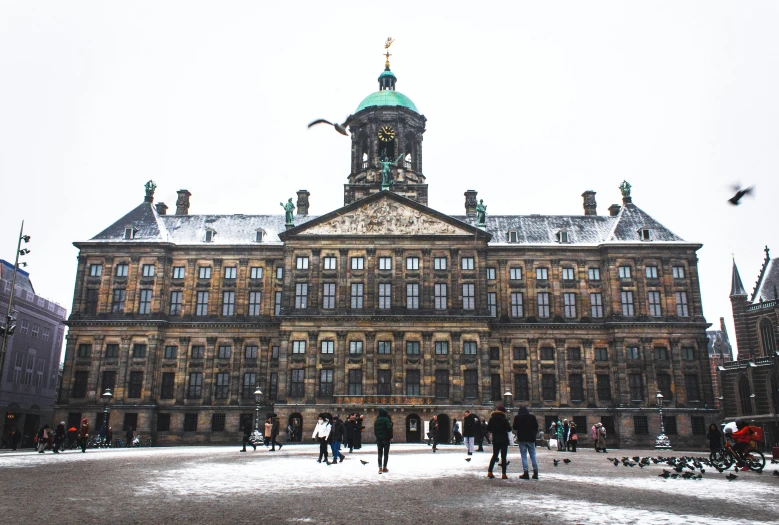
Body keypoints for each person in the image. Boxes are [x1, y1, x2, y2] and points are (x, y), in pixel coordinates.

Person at [513, 406, 539, 480]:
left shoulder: (517, 417)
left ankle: (526, 472)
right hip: (531, 439)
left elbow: (514, 427)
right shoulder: (532, 417)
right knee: (533, 455)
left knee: (524, 456)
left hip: (522, 439)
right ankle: (536, 472)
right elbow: (536, 427)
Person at [487, 406, 512, 479]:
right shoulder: (504, 419)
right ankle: (504, 474)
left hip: (495, 439)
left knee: (495, 455)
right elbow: (509, 429)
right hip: (504, 439)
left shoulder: (492, 418)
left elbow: (488, 428)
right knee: (503, 457)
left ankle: (490, 471)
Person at [374, 408, 393, 474]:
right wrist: (391, 437)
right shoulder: (386, 420)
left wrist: (377, 437)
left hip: (379, 439)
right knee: (385, 453)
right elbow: (389, 429)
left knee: (379, 453)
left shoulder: (377, 421)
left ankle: (380, 468)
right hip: (386, 439)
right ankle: (384, 467)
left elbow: (375, 431)